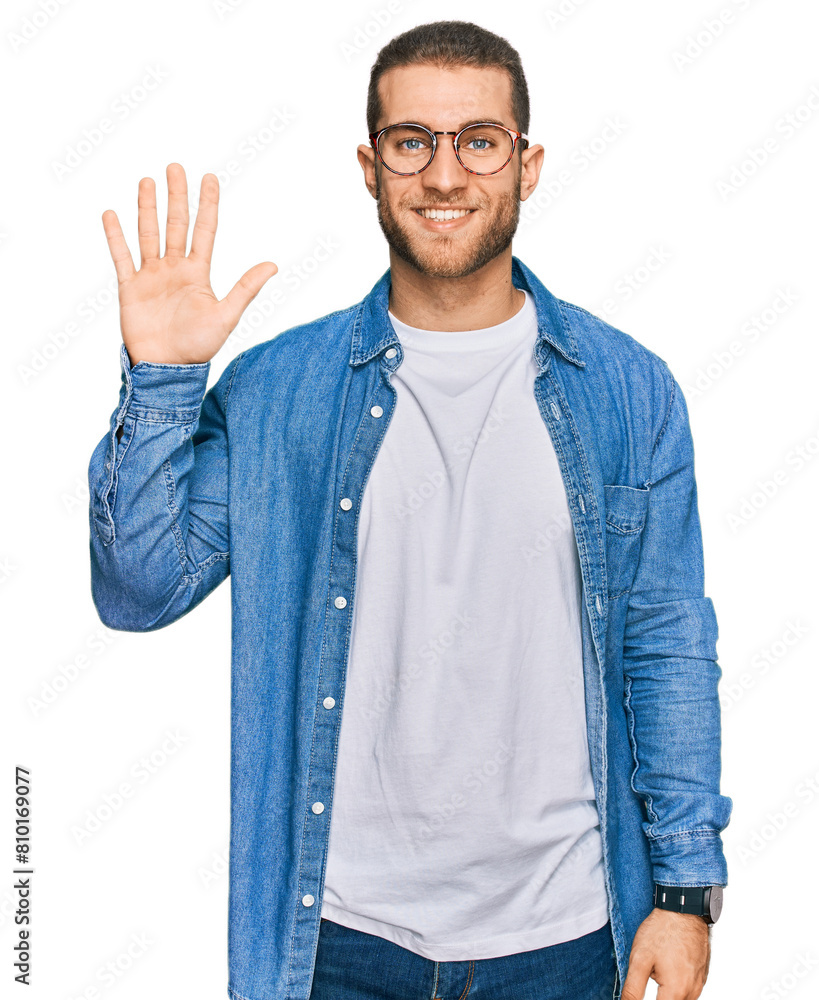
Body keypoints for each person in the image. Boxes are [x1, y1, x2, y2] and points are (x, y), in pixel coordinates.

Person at [88, 19, 732, 1000]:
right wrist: (166, 377)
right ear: (370, 164)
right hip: (340, 940)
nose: (445, 175)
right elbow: (138, 587)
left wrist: (686, 893)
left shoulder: (627, 391)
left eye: (479, 140)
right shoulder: (278, 390)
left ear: (528, 163)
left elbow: (668, 641)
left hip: (567, 936)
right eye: (412, 141)